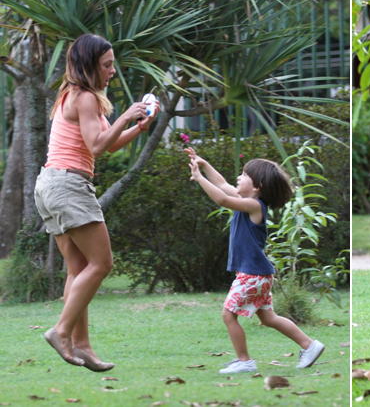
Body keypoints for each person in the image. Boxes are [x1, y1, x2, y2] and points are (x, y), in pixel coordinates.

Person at [35, 34, 160, 371]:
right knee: (102, 264)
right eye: (107, 65)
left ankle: (83, 346)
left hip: (51, 183)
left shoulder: (74, 94)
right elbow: (97, 146)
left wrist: (138, 126)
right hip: (68, 185)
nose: (113, 71)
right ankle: (61, 330)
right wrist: (126, 115)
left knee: (78, 269)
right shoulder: (86, 97)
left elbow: (110, 143)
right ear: (90, 65)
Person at [185, 148, 325, 374]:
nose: (238, 178)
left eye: (244, 174)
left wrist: (199, 178)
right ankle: (310, 346)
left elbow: (221, 199)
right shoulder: (246, 200)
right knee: (269, 317)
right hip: (257, 274)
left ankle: (244, 361)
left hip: (253, 275)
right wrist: (204, 164)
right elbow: (221, 185)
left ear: (257, 186)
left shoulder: (255, 206)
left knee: (228, 314)